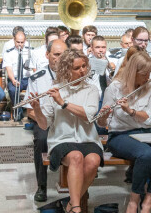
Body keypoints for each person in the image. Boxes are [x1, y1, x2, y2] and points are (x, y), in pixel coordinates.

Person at [98, 51, 151, 213]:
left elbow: (150, 119)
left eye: (149, 73)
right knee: (146, 155)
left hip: (145, 132)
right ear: (134, 72)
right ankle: (134, 200)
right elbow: (102, 123)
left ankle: (148, 200)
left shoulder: (150, 86)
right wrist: (103, 115)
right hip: (120, 135)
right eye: (144, 74)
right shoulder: (114, 88)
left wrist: (131, 111)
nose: (147, 78)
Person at [29, 49, 103, 213]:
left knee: (93, 161)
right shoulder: (55, 90)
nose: (82, 70)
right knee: (76, 157)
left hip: (88, 139)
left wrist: (63, 103)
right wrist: (37, 109)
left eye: (84, 66)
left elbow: (89, 116)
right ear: (66, 70)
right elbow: (43, 124)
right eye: (77, 68)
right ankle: (76, 208)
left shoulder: (91, 89)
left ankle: (70, 204)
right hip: (61, 140)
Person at [24, 39, 67, 202]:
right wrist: (46, 120)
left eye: (64, 55)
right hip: (44, 120)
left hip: (67, 119)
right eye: (56, 55)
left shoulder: (74, 73)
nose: (60, 59)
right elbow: (29, 111)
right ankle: (41, 185)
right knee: (41, 139)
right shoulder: (37, 77)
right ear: (47, 55)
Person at [3, 31, 32, 121]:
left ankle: (32, 113)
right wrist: (13, 80)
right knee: (12, 89)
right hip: (14, 77)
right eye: (18, 42)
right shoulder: (9, 53)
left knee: (36, 89)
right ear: (14, 41)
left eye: (22, 42)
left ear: (25, 41)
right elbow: (9, 69)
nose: (20, 44)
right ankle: (19, 112)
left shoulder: (30, 51)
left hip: (27, 78)